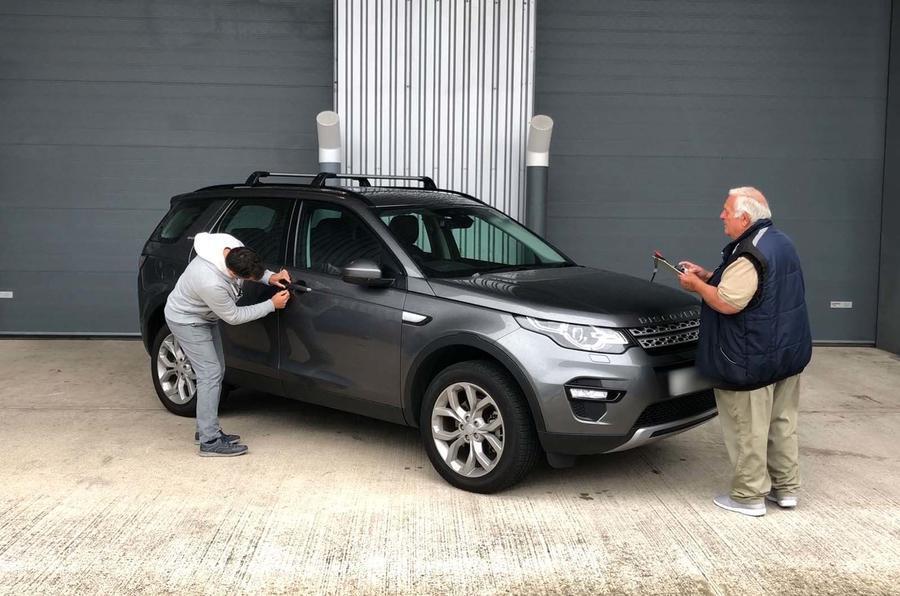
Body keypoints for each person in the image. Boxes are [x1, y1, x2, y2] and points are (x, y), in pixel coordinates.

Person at [678, 187, 812, 517]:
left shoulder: (750, 253)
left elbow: (727, 302)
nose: (721, 216)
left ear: (745, 217)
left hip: (750, 358)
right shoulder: (779, 241)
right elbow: (760, 288)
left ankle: (748, 495)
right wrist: (710, 276)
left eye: (727, 210)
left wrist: (697, 286)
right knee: (782, 422)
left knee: (747, 428)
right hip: (784, 353)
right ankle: (786, 488)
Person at [164, 232, 291, 457]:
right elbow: (233, 317)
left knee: (216, 371)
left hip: (206, 316)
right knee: (210, 374)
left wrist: (270, 277)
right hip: (187, 320)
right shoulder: (210, 281)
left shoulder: (233, 247)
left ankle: (205, 429)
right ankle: (210, 441)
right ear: (233, 273)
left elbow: (252, 268)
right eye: (248, 278)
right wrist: (271, 304)